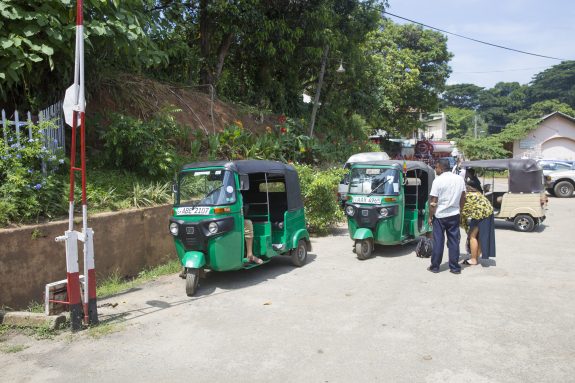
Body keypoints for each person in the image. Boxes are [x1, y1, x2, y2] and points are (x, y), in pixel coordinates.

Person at [428, 158, 466, 274]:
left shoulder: (438, 180)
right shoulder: (459, 179)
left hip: (440, 216)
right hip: (454, 214)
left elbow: (433, 201)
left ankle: (435, 267)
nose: (435, 169)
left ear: (440, 166)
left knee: (438, 241)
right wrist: (460, 211)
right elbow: (463, 197)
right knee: (454, 241)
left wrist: (430, 216)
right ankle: (455, 268)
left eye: (436, 167)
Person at [460, 184, 496, 265]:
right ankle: (476, 257)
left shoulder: (464, 195)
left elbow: (462, 213)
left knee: (472, 236)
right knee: (478, 236)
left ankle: (473, 259)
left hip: (481, 213)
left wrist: (466, 230)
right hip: (488, 212)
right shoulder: (473, 191)